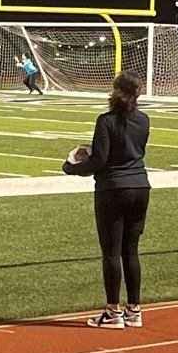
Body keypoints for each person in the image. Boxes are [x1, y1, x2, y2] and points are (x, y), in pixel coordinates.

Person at [62, 71, 150, 329]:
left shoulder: (106, 121)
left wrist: (70, 167)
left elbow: (100, 161)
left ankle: (113, 312)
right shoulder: (144, 120)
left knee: (111, 251)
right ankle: (134, 310)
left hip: (113, 189)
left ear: (115, 91)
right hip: (141, 187)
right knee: (131, 250)